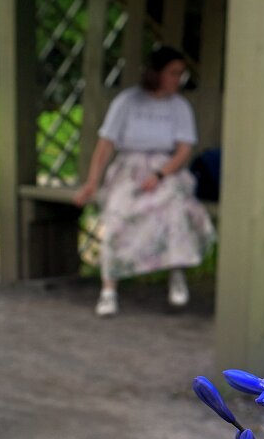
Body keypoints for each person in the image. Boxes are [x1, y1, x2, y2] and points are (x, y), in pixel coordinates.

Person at [73, 46, 215, 317]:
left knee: (174, 206)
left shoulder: (180, 107)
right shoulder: (127, 102)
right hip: (129, 167)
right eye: (173, 73)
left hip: (167, 169)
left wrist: (160, 175)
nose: (178, 79)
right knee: (117, 213)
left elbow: (184, 149)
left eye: (181, 73)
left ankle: (176, 273)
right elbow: (105, 145)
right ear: (157, 73)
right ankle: (109, 290)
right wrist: (92, 182)